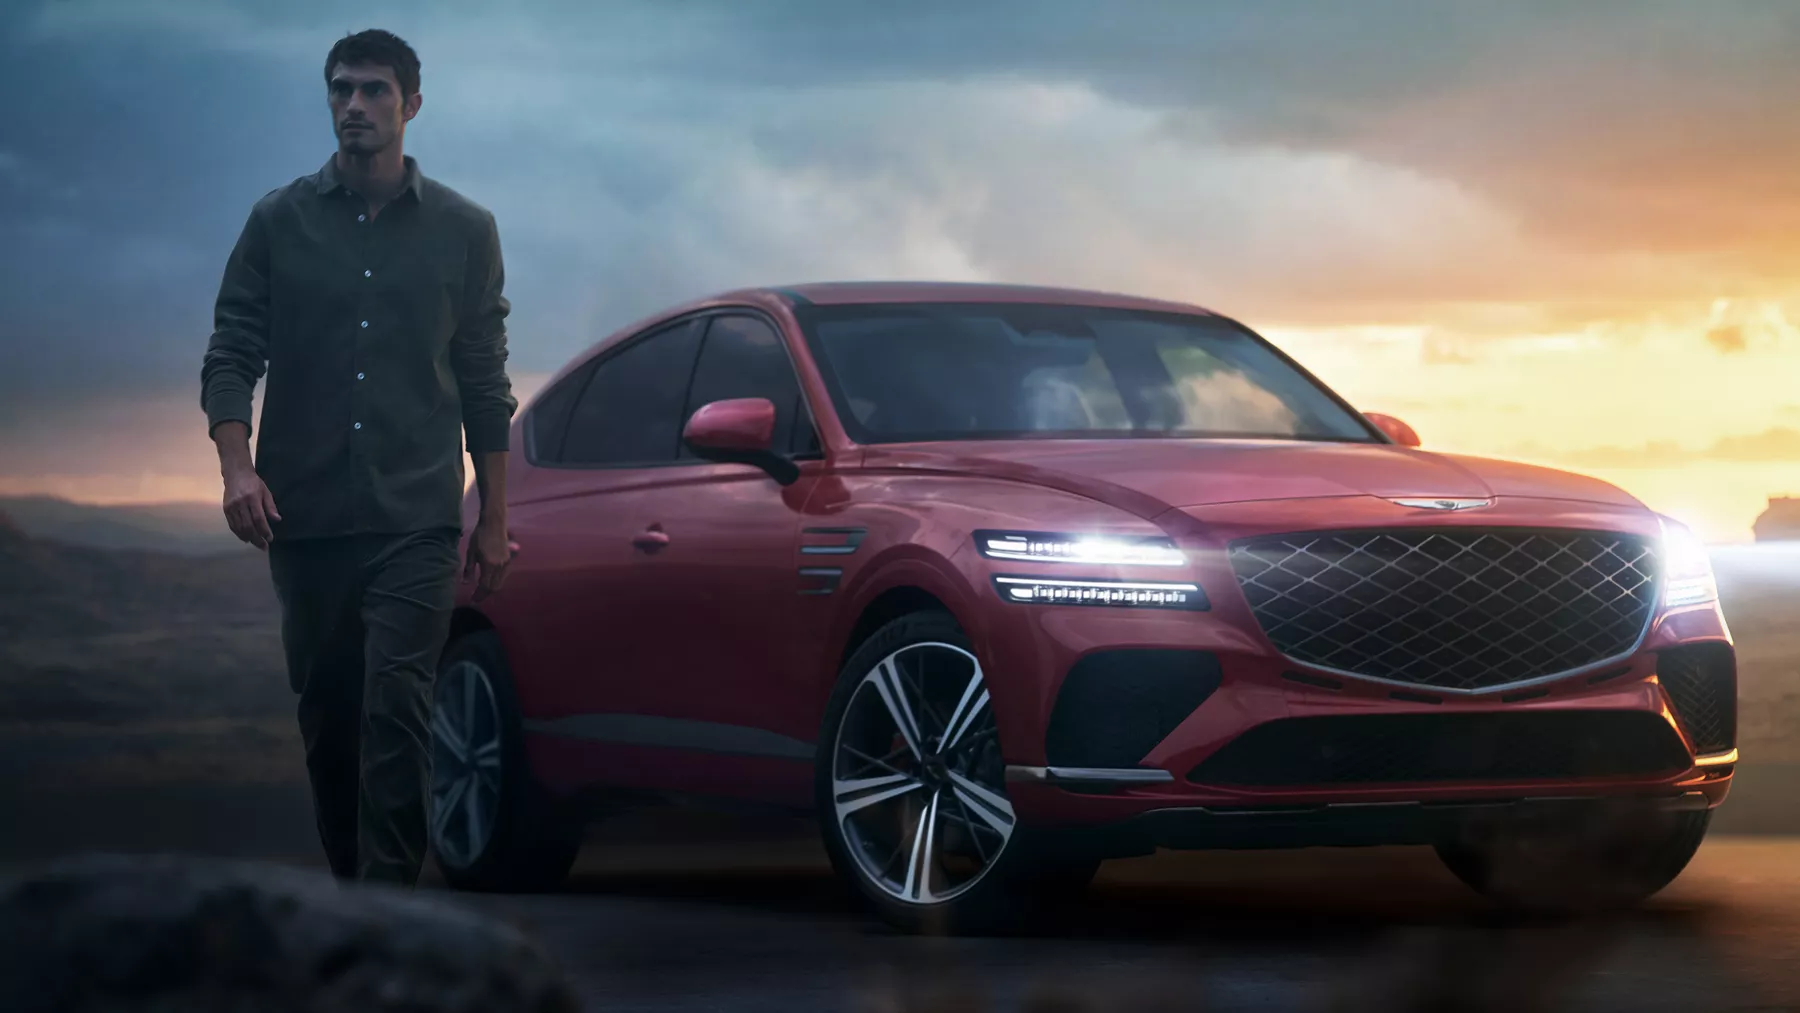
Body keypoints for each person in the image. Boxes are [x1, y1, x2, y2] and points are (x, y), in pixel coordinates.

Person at [200, 28, 518, 886]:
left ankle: (392, 913)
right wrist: (237, 467)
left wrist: (494, 516)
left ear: (411, 106)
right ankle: (353, 907)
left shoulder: (465, 230)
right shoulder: (277, 221)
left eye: (375, 91)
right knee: (330, 718)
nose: (355, 106)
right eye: (341, 90)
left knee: (399, 709)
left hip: (415, 516)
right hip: (302, 515)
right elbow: (232, 352)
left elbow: (486, 381)